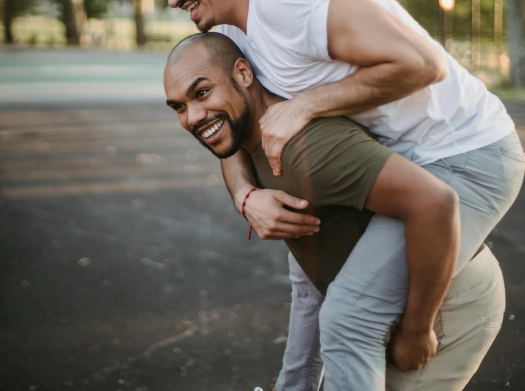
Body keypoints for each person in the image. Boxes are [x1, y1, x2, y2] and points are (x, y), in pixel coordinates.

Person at [135, 0, 525, 389]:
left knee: (349, 317)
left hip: (467, 155)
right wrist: (245, 194)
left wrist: (416, 328)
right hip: (404, 156)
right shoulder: (233, 33)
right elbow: (228, 125)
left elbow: (421, 63)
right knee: (311, 270)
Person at [163, 32, 506, 391]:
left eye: (202, 93)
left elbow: (436, 203)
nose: (193, 117)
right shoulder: (246, 135)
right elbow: (310, 288)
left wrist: (417, 330)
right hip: (380, 308)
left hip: (447, 301)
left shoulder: (306, 151)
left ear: (245, 75)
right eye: (179, 107)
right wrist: (244, 195)